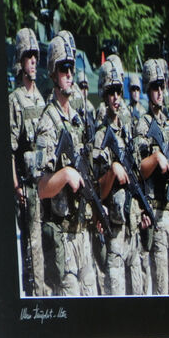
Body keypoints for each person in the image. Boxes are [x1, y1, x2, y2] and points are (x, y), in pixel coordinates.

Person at [33, 34, 97, 296]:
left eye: (71, 68)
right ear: (53, 73)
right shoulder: (47, 123)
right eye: (63, 69)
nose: (69, 74)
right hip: (63, 238)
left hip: (83, 235)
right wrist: (66, 174)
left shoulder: (78, 119)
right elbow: (41, 187)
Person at [92, 58, 150, 295]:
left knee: (138, 297)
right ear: (104, 95)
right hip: (114, 234)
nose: (116, 96)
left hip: (133, 233)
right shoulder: (100, 137)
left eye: (119, 90)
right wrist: (112, 171)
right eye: (111, 92)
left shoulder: (130, 130)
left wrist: (144, 212)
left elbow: (139, 176)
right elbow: (98, 192)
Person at [134, 58, 169, 295]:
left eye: (162, 87)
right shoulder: (143, 125)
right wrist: (156, 159)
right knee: (160, 284)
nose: (159, 92)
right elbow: (140, 169)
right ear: (147, 90)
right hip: (155, 211)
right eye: (155, 87)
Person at [8, 27, 47, 297]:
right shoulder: (15, 99)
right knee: (32, 254)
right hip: (27, 188)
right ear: (20, 61)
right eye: (28, 56)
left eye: (35, 55)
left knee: (44, 249)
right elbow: (9, 149)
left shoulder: (41, 97)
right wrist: (15, 186)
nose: (33, 60)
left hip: (44, 187)